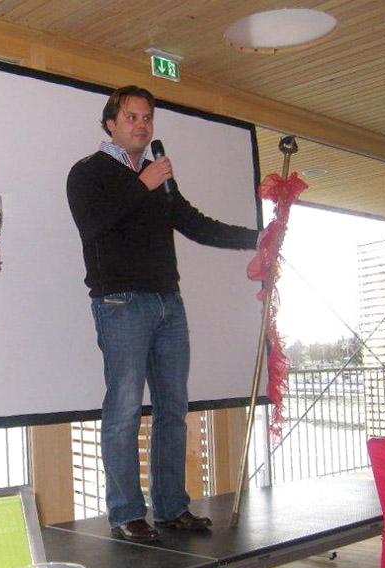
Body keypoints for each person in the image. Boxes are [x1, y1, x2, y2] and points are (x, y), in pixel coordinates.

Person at [67, 86, 259, 541]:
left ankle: (171, 508)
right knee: (124, 409)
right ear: (110, 123)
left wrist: (256, 239)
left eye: (147, 118)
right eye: (131, 117)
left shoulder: (158, 177)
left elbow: (193, 223)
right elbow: (93, 225)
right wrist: (143, 185)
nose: (142, 125)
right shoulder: (88, 172)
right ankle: (126, 513)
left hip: (168, 302)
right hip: (120, 303)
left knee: (174, 407)